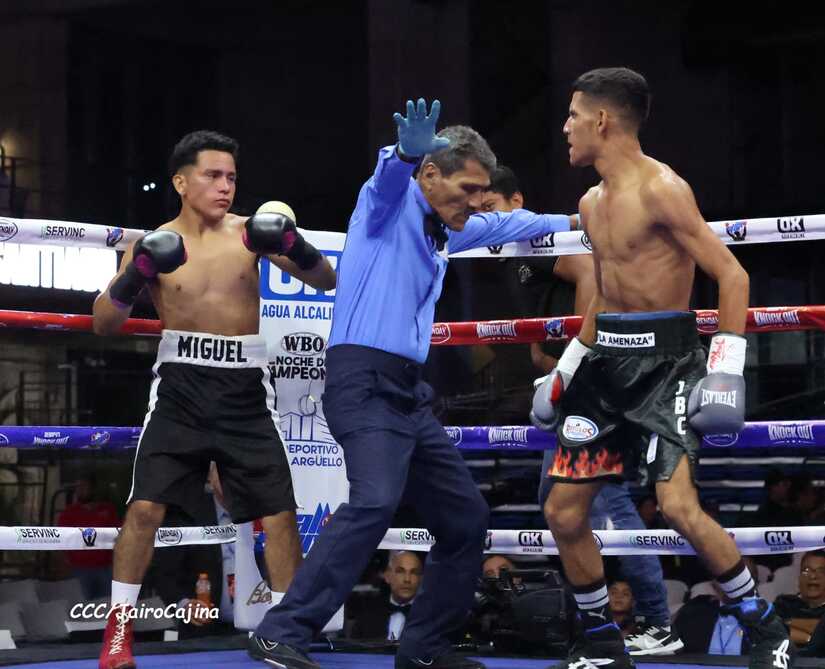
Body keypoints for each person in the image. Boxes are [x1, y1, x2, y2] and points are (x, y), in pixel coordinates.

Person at [248, 99, 573, 669]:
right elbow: (387, 179)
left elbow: (521, 223)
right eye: (468, 188)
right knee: (374, 500)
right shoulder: (387, 208)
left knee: (465, 518)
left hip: (407, 394)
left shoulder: (448, 229)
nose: (477, 201)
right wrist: (403, 152)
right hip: (361, 382)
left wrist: (593, 218)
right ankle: (281, 631)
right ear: (430, 175)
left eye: (483, 191)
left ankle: (423, 649)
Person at [531, 68, 791, 669]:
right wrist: (567, 367)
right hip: (605, 367)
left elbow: (732, 275)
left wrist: (724, 369)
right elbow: (603, 294)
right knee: (562, 512)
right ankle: (603, 643)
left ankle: (765, 626)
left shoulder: (662, 189)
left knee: (677, 506)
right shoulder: (590, 203)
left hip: (667, 366)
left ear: (602, 120)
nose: (565, 127)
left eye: (573, 115)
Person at [93, 129, 337, 669]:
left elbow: (325, 279)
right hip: (180, 387)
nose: (225, 186)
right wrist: (136, 274)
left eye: (231, 177)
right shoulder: (152, 242)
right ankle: (117, 635)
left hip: (245, 388)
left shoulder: (251, 235)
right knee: (145, 508)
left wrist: (294, 244)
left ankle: (285, 634)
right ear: (181, 183)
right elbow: (104, 322)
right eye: (213, 175)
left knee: (279, 514)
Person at [483, 166, 678, 655]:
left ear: (517, 201)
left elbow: (592, 274)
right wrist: (543, 357)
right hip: (567, 383)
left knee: (608, 502)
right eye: (478, 211)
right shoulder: (513, 253)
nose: (485, 218)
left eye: (491, 207)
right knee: (555, 503)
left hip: (586, 384)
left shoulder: (540, 240)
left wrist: (576, 357)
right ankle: (591, 623)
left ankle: (656, 622)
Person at [672, 557, 760, 655]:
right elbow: (669, 645)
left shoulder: (766, 618)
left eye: (740, 579)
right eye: (727, 578)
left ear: (754, 583)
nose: (733, 584)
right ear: (714, 583)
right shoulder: (694, 609)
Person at [57, 475, 121, 600]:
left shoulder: (108, 510)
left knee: (106, 604)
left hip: (106, 569)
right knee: (82, 606)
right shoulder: (68, 513)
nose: (80, 490)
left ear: (93, 488)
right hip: (79, 570)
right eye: (77, 487)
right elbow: (60, 541)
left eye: (84, 486)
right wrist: (65, 565)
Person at [349, 551, 425, 641]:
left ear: (421, 579)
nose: (407, 579)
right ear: (387, 576)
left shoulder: (431, 618)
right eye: (400, 571)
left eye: (414, 572)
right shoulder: (367, 613)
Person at [774, 551, 825, 650]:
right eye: (806, 570)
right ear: (799, 577)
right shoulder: (783, 603)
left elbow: (781, 632)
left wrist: (789, 623)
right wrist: (814, 636)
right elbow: (771, 632)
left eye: (821, 571)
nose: (813, 576)